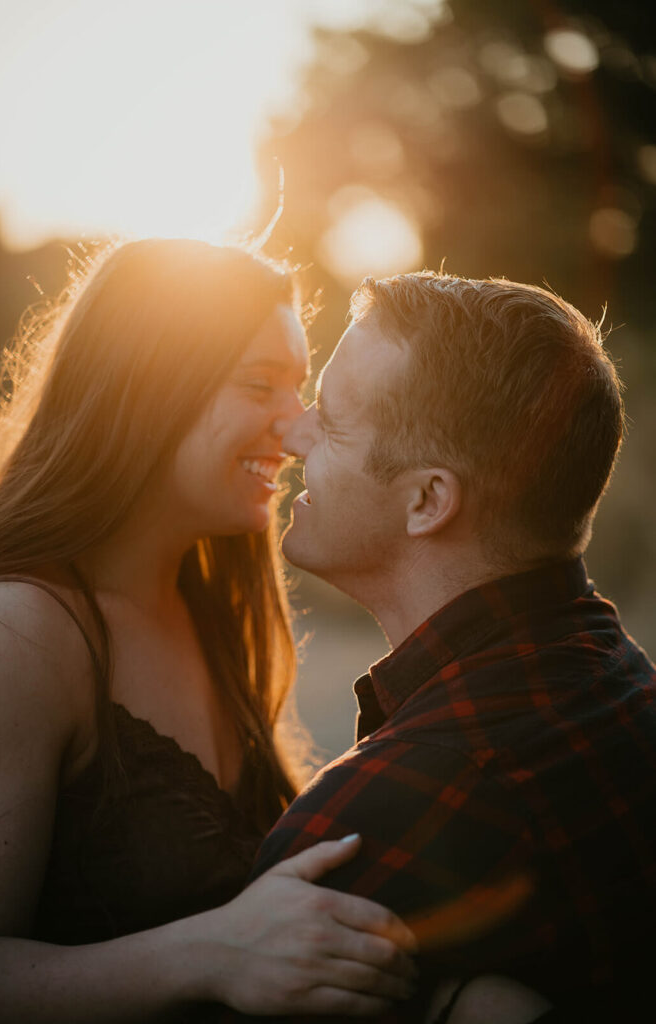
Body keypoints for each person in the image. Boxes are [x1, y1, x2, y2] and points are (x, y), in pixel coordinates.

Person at [0, 239, 418, 1022]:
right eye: (261, 385)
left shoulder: (212, 608)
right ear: (144, 388)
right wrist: (207, 953)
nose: (300, 427)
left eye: (301, 387)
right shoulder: (16, 635)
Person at [249, 271, 656, 1021]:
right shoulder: (624, 688)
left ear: (427, 501)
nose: (294, 432)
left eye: (332, 423)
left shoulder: (367, 829)